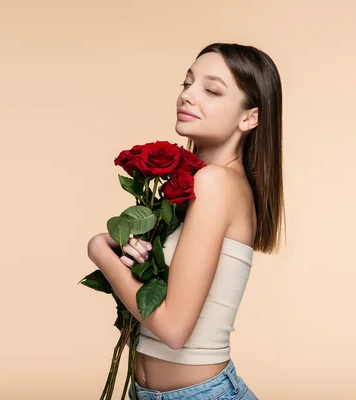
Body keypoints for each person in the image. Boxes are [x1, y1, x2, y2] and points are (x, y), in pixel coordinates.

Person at [87, 42, 285, 399]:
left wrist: (100, 249)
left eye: (211, 90)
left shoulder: (216, 183)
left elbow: (174, 329)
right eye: (187, 84)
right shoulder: (204, 184)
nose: (188, 96)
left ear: (249, 117)